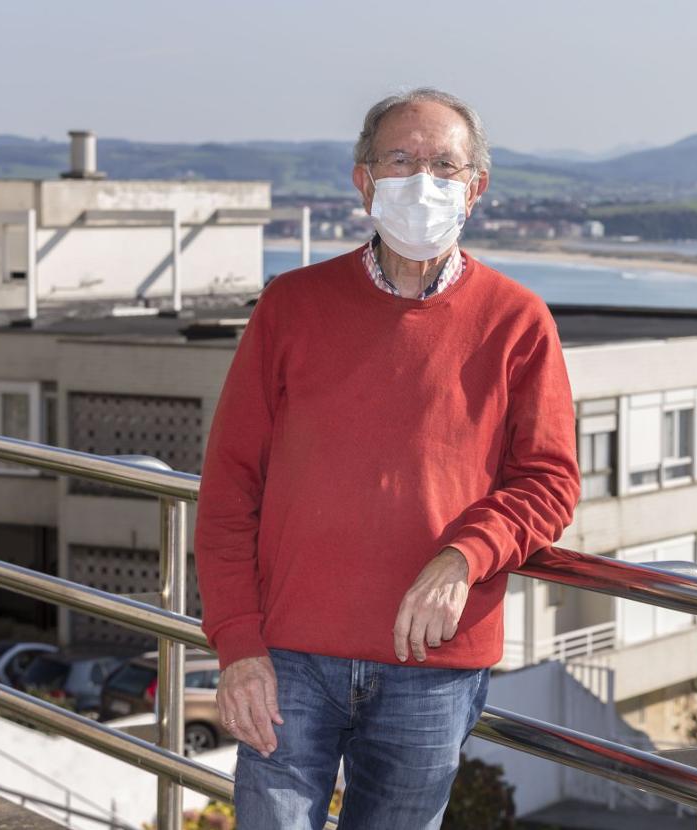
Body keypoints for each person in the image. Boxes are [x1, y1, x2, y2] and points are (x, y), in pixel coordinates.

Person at [193, 87, 582, 829]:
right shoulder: (290, 306)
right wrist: (237, 645)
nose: (423, 180)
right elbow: (229, 489)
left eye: (445, 164)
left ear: (477, 188)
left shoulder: (518, 321)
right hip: (288, 657)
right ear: (364, 180)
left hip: (434, 669)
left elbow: (550, 481)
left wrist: (463, 557)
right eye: (401, 160)